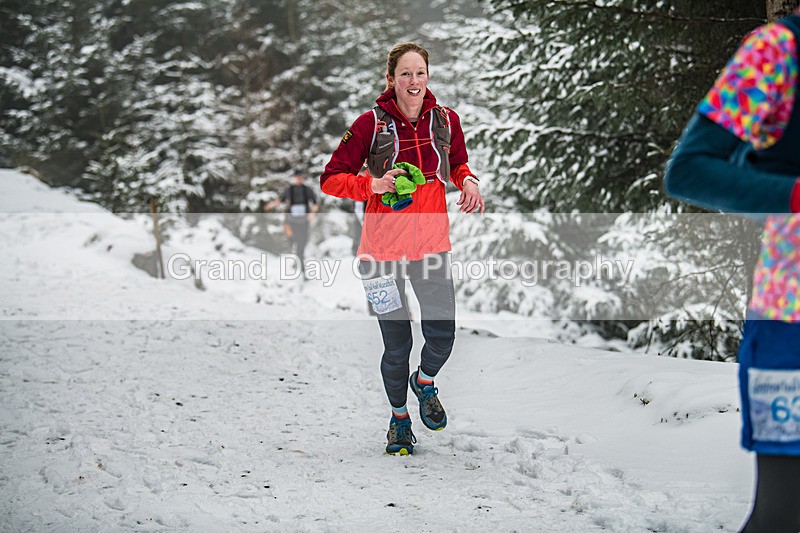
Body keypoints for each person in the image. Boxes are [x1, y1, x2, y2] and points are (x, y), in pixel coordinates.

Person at [664, 10, 800, 532]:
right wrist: (792, 195)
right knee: (783, 515)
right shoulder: (777, 50)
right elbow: (690, 170)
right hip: (789, 322)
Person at [320, 42, 484, 455]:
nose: (414, 81)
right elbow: (330, 178)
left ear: (428, 77)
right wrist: (370, 184)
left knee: (442, 337)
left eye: (420, 73)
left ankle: (424, 382)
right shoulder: (368, 125)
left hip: (431, 247)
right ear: (390, 79)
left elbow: (458, 164)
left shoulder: (446, 121)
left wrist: (468, 181)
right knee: (397, 347)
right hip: (379, 255)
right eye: (405, 74)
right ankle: (399, 421)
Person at [265, 170, 319, 278]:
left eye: (300, 177)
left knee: (302, 242)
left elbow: (315, 203)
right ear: (294, 178)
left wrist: (312, 213)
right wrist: (270, 206)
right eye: (296, 177)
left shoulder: (307, 190)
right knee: (293, 239)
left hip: (303, 220)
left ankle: (300, 264)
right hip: (292, 220)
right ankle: (296, 260)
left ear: (302, 178)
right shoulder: (289, 189)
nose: (298, 179)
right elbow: (279, 200)